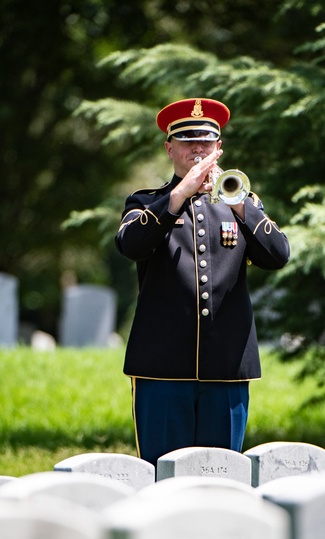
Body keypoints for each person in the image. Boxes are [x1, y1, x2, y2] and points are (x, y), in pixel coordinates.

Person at [115, 97, 291, 466]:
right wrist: (178, 195)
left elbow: (277, 255)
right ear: (169, 148)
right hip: (161, 369)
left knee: (223, 476)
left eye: (206, 141)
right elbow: (131, 246)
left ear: (219, 148)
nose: (197, 148)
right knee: (162, 476)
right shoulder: (147, 203)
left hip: (225, 368)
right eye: (186, 140)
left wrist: (242, 205)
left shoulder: (241, 202)